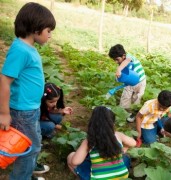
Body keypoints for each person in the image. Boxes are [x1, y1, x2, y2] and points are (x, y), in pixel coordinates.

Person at [0, 2, 56, 180]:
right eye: (49, 31)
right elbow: (4, 81)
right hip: (22, 111)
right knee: (28, 149)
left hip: (30, 109)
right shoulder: (21, 50)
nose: (50, 35)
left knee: (33, 143)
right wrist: (3, 113)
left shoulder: (26, 48)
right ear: (36, 28)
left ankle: (27, 170)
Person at [67, 106, 136, 180]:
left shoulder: (89, 140)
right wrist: (125, 148)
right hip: (122, 177)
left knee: (70, 156)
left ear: (92, 124)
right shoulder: (118, 135)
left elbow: (75, 162)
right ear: (113, 124)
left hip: (99, 178)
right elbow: (133, 143)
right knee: (125, 157)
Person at [108, 44, 146, 122]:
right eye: (114, 60)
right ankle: (124, 112)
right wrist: (118, 77)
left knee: (137, 98)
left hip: (140, 82)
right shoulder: (121, 63)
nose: (116, 62)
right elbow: (121, 75)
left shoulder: (129, 57)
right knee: (125, 98)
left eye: (117, 59)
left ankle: (134, 114)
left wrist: (119, 69)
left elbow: (127, 60)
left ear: (123, 55)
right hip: (129, 82)